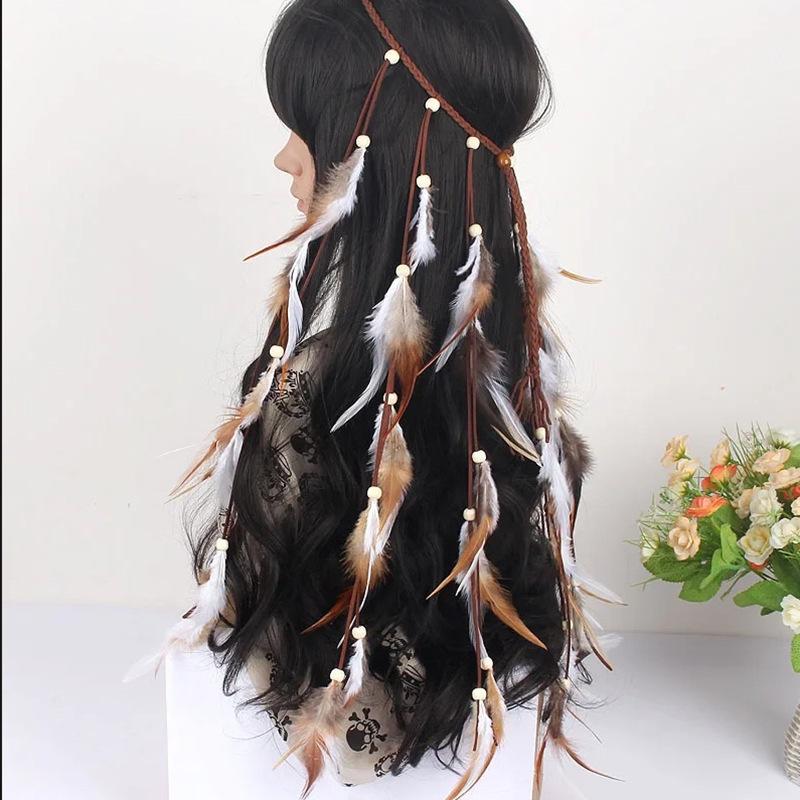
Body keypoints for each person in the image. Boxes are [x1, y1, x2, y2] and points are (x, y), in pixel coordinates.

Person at [165, 1, 612, 795]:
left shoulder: (304, 407)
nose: (283, 158)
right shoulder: (518, 407)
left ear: (385, 152)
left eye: (310, 126)